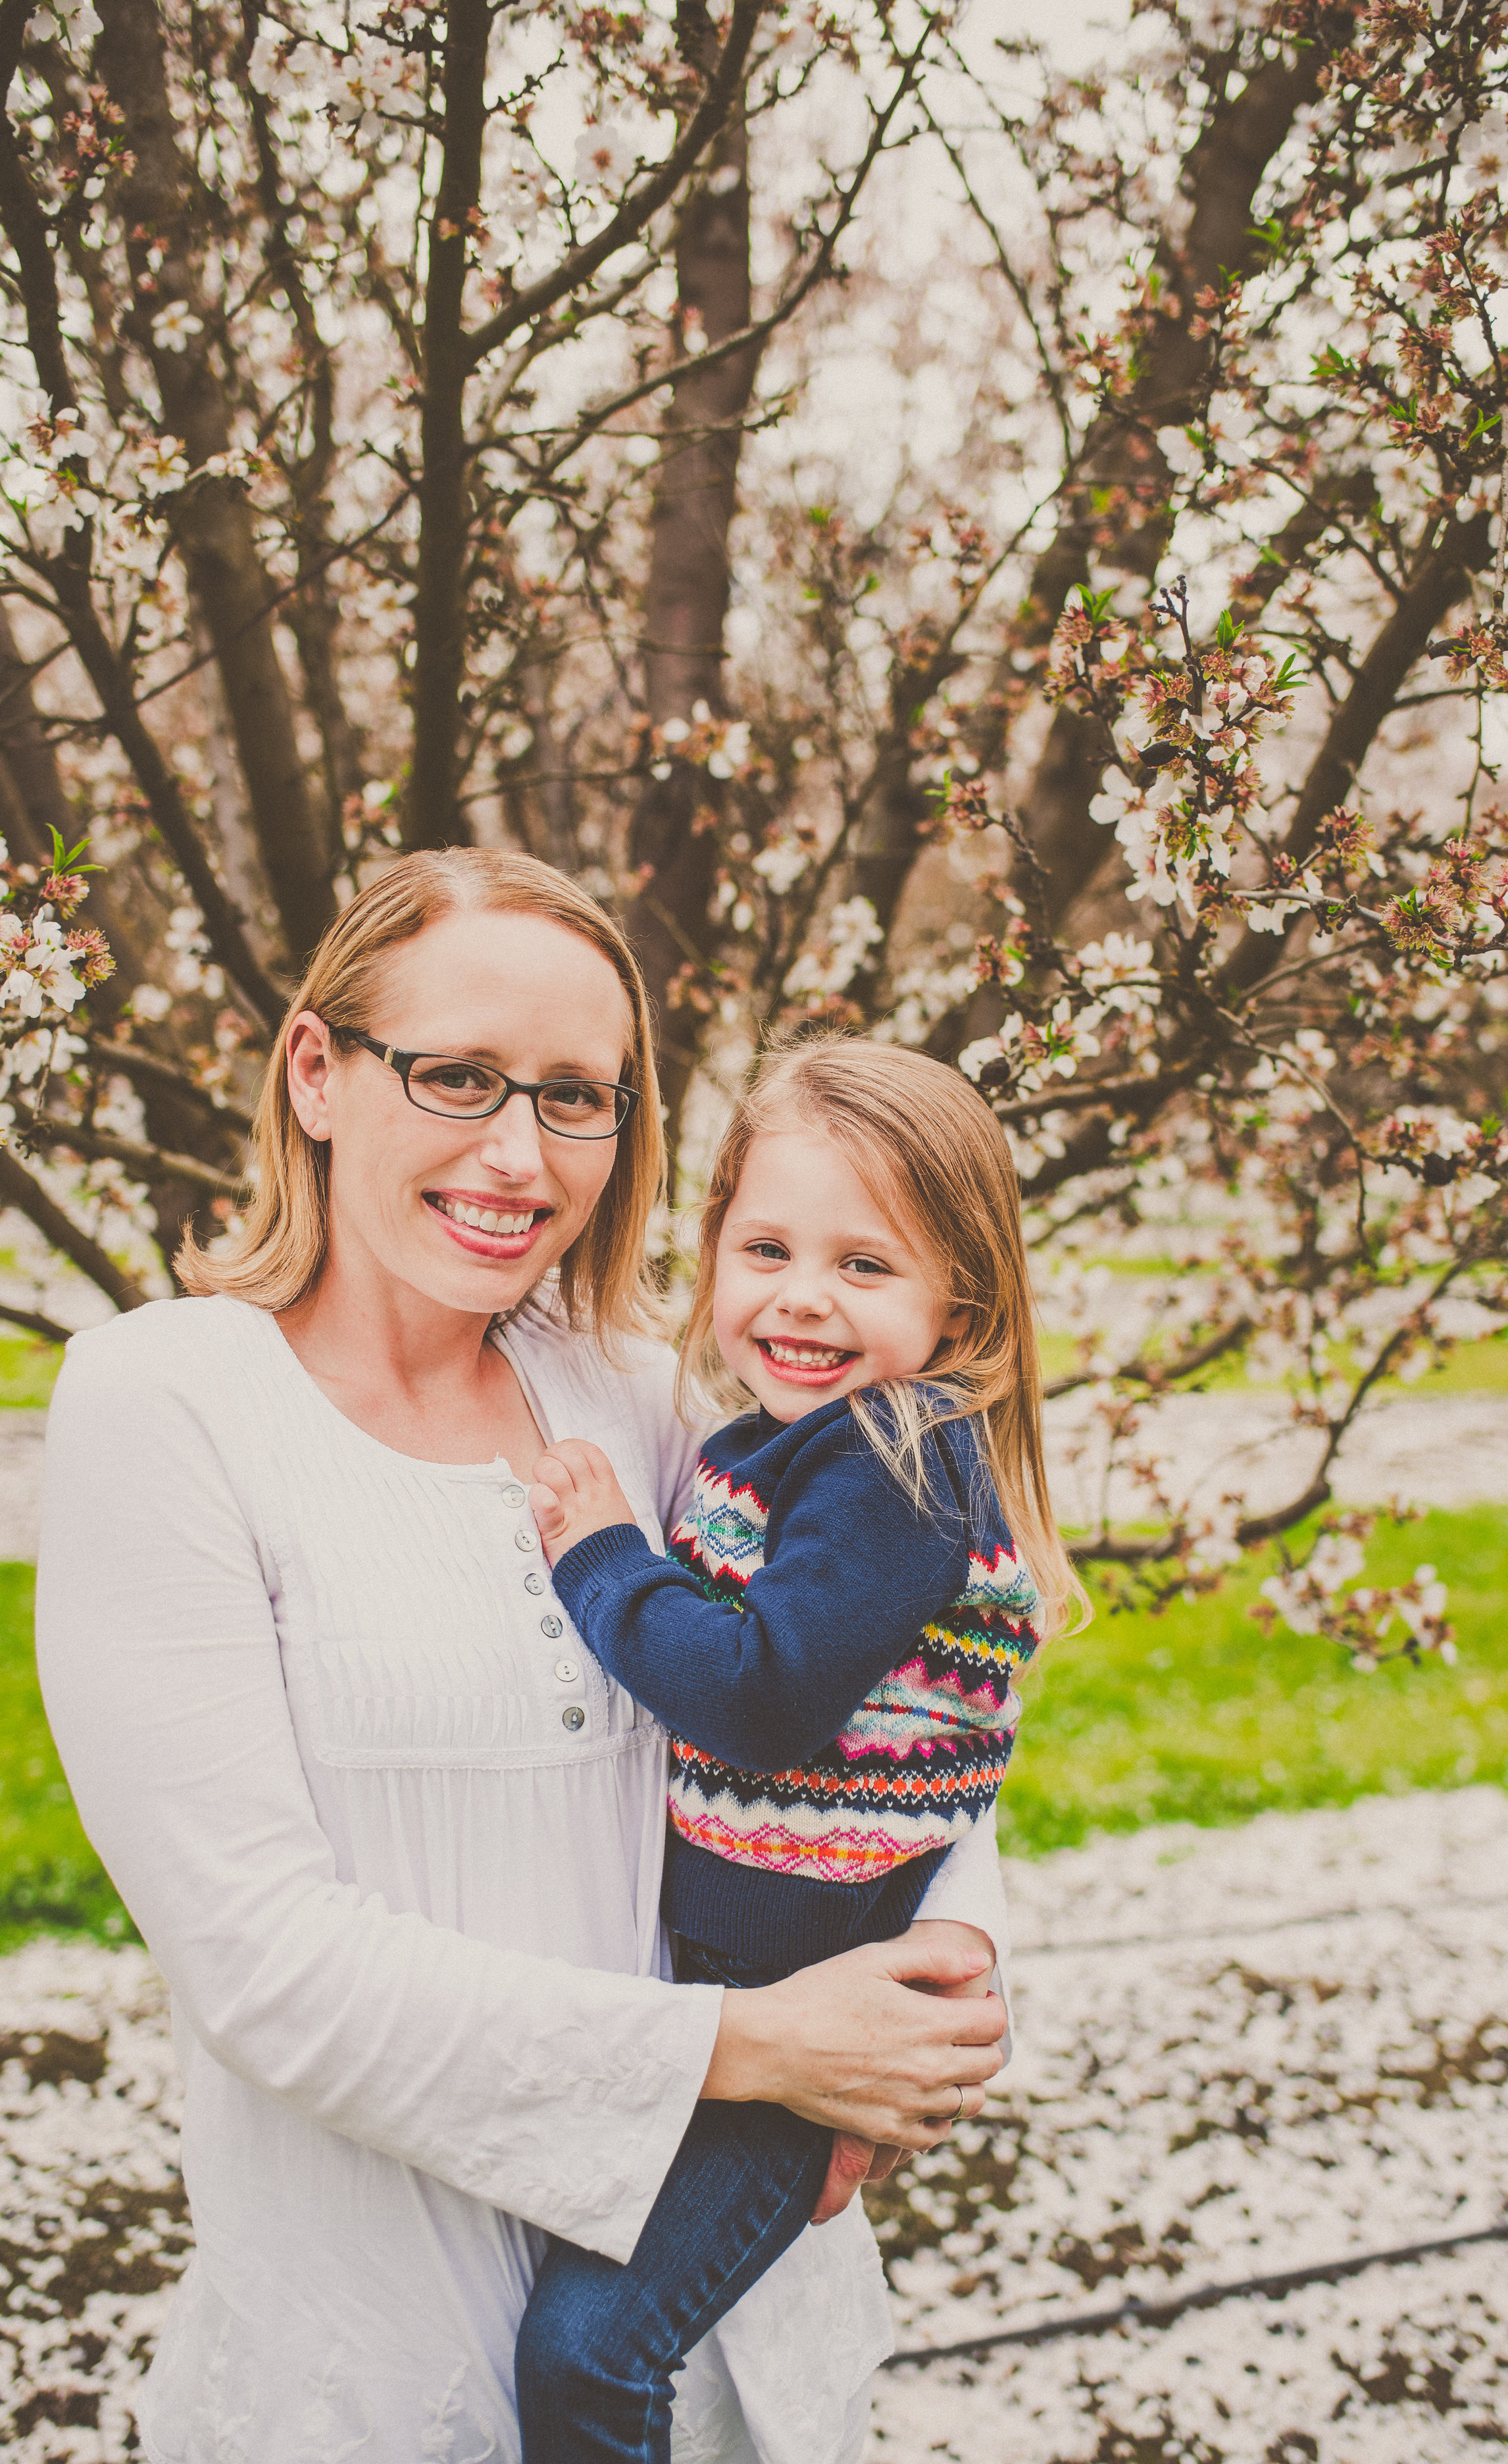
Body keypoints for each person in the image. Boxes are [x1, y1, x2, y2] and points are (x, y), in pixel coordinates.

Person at [34, 851, 1010, 2464]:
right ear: (319, 1072)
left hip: (712, 2325)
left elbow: (896, 1709)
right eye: (459, 1075)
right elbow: (265, 1964)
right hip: (368, 2344)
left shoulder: (637, 1396)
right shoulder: (172, 1404)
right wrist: (757, 2049)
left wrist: (929, 2012)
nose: (517, 1151)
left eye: (576, 1095)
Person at [515, 1036, 1074, 2463]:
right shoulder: (797, 1437)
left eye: (863, 1266)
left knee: (593, 2351)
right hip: (743, 2000)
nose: (801, 1296)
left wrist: (601, 1562)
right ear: (711, 1251)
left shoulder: (893, 1459)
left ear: (960, 1302)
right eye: (765, 1245)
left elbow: (761, 1694)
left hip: (801, 2022)